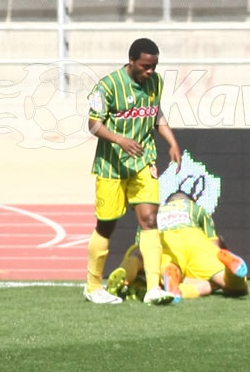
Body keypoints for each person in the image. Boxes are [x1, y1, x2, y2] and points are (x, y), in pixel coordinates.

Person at [83, 38, 181, 305]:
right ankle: (93, 286)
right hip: (111, 166)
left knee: (149, 219)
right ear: (132, 61)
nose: (150, 71)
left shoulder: (156, 82)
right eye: (145, 66)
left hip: (143, 161)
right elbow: (93, 124)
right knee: (106, 226)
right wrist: (120, 140)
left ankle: (153, 288)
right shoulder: (108, 86)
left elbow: (155, 113)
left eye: (154, 66)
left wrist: (172, 142)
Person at [107, 189, 249, 302]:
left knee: (138, 257)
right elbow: (214, 244)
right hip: (195, 237)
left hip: (165, 239)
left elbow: (145, 247)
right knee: (233, 287)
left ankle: (129, 275)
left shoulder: (153, 213)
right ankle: (231, 273)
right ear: (190, 201)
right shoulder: (196, 209)